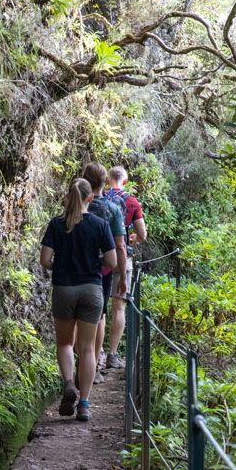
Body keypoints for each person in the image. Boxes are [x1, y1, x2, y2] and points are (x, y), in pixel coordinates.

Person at [40, 179, 117, 422]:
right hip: (92, 290)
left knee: (64, 344)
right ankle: (84, 403)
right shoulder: (100, 224)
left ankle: (68, 384)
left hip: (64, 288)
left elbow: (44, 260)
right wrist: (96, 264)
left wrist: (59, 266)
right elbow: (113, 262)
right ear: (90, 198)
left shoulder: (56, 224)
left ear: (69, 197)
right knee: (87, 349)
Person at [81, 162, 128, 381]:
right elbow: (119, 245)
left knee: (75, 319)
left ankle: (77, 369)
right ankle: (95, 366)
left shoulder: (76, 205)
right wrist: (121, 273)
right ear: (104, 183)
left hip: (76, 268)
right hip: (104, 271)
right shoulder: (113, 209)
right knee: (99, 316)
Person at [103, 165, 147, 368]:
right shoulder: (131, 201)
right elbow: (143, 234)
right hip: (122, 257)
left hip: (101, 256)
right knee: (119, 307)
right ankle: (112, 354)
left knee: (100, 308)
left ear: (107, 180)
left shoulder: (99, 197)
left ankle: (98, 354)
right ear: (126, 181)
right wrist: (133, 238)